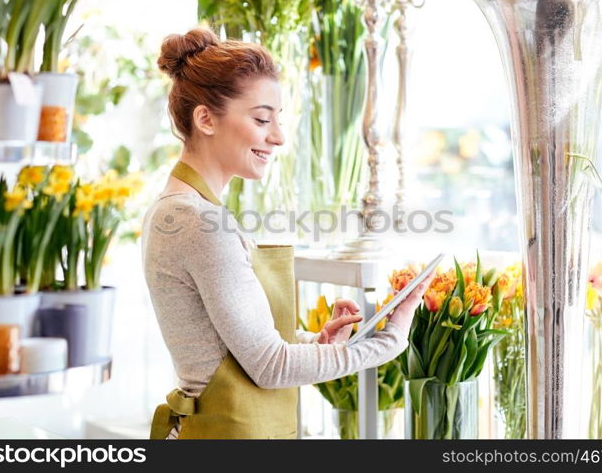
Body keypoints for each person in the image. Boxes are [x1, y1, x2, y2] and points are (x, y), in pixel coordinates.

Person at [141, 27, 434, 439]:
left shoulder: (180, 211)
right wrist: (388, 343)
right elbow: (270, 366)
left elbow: (228, 347)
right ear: (205, 118)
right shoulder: (198, 224)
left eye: (278, 119)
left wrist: (317, 343)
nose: (277, 136)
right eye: (262, 118)